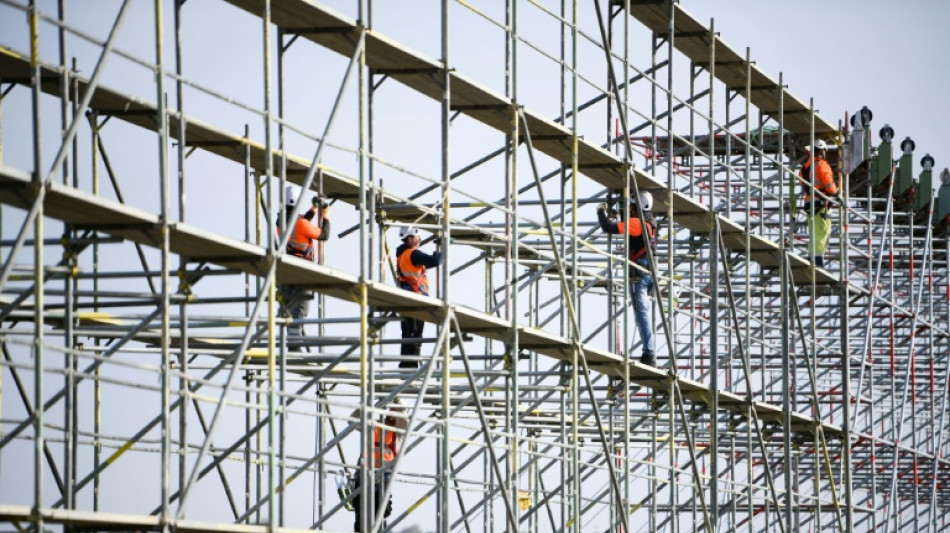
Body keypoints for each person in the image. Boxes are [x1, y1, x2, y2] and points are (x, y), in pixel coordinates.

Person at [597, 191, 658, 367]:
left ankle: (649, 354)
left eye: (630, 206)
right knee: (642, 313)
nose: (628, 209)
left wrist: (600, 211)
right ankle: (649, 351)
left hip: (639, 273)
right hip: (648, 271)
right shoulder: (650, 222)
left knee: (641, 313)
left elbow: (608, 227)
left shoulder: (637, 223)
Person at [277, 185, 331, 337]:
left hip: (288, 268)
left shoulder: (280, 221)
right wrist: (326, 216)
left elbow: (301, 222)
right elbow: (324, 235)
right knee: (300, 310)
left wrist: (313, 208)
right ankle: (294, 344)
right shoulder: (301, 224)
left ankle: (292, 341)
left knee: (290, 310)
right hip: (302, 271)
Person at [352, 400, 408, 532]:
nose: (393, 413)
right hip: (364, 475)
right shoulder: (372, 426)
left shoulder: (398, 432)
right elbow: (353, 420)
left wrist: (398, 401)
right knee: (361, 514)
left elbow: (404, 420)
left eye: (396, 411)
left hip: (383, 477)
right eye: (391, 409)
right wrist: (371, 401)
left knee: (381, 512)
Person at [394, 226, 442, 368]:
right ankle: (411, 369)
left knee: (408, 334)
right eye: (417, 237)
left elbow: (426, 263)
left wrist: (435, 255)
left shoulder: (403, 254)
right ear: (409, 239)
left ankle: (406, 367)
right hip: (415, 299)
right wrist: (442, 253)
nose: (420, 239)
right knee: (415, 335)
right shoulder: (413, 253)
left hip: (407, 298)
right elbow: (435, 262)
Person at [799, 140, 838, 268]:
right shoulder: (822, 165)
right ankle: (818, 263)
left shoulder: (805, 167)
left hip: (809, 204)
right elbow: (829, 184)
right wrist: (836, 193)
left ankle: (811, 259)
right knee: (822, 233)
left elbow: (802, 182)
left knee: (813, 234)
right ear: (822, 151)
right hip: (821, 204)